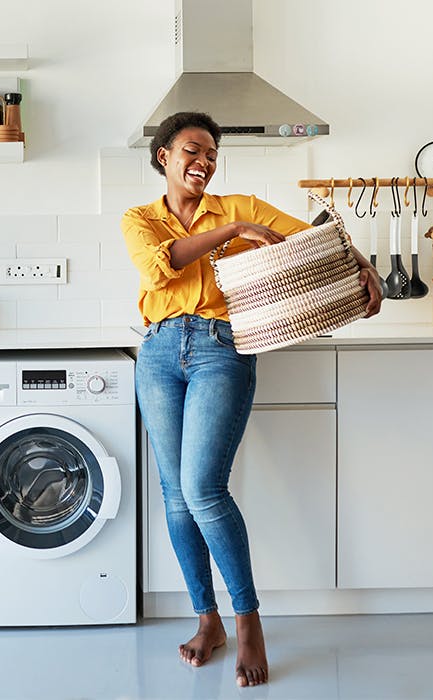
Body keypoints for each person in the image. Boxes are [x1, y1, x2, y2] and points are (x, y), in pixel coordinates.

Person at [121, 112, 382, 687]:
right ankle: (206, 619)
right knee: (175, 498)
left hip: (221, 348)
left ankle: (247, 622)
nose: (205, 161)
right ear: (164, 155)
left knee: (202, 488)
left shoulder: (241, 204)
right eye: (193, 149)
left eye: (212, 153)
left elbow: (319, 238)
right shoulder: (140, 219)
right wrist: (231, 231)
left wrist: (366, 269)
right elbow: (160, 267)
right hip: (160, 352)